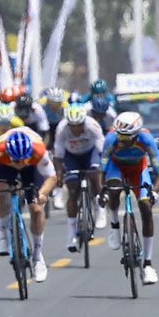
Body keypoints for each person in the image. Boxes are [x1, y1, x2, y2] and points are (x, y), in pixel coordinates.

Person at [0, 127, 58, 283]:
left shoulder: (38, 152)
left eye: (22, 160)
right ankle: (2, 236)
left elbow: (51, 178)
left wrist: (42, 194)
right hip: (5, 167)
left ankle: (38, 256)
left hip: (32, 168)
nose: (19, 164)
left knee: (36, 209)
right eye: (16, 160)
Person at [101, 111, 159, 285]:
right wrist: (102, 191)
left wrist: (154, 192)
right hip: (116, 167)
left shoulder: (146, 139)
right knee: (113, 188)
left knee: (145, 207)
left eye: (127, 137)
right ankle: (114, 225)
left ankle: (148, 264)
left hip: (138, 169)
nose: (122, 141)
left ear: (136, 134)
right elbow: (103, 169)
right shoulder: (111, 140)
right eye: (120, 136)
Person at [53, 104, 106, 251]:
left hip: (91, 153)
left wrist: (100, 170)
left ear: (84, 122)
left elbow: (103, 151)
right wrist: (59, 174)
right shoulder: (62, 129)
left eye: (79, 125)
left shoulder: (93, 126)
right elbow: (58, 156)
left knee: (95, 175)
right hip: (72, 156)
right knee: (73, 189)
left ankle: (99, 207)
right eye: (73, 126)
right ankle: (71, 234)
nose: (76, 129)